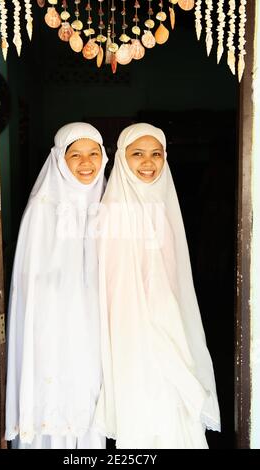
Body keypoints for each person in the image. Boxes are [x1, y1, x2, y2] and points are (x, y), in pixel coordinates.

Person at [93, 123, 221, 449]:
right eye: (137, 154)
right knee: (148, 416)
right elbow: (112, 287)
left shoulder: (162, 205)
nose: (148, 162)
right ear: (121, 158)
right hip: (134, 337)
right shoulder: (112, 212)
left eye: (156, 154)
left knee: (172, 416)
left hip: (168, 327)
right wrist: (151, 332)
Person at [5, 122, 108, 449]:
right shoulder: (43, 207)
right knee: (56, 393)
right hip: (53, 329)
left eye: (94, 153)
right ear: (59, 159)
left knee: (90, 397)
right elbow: (32, 282)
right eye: (75, 154)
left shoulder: (109, 200)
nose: (86, 162)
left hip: (94, 326)